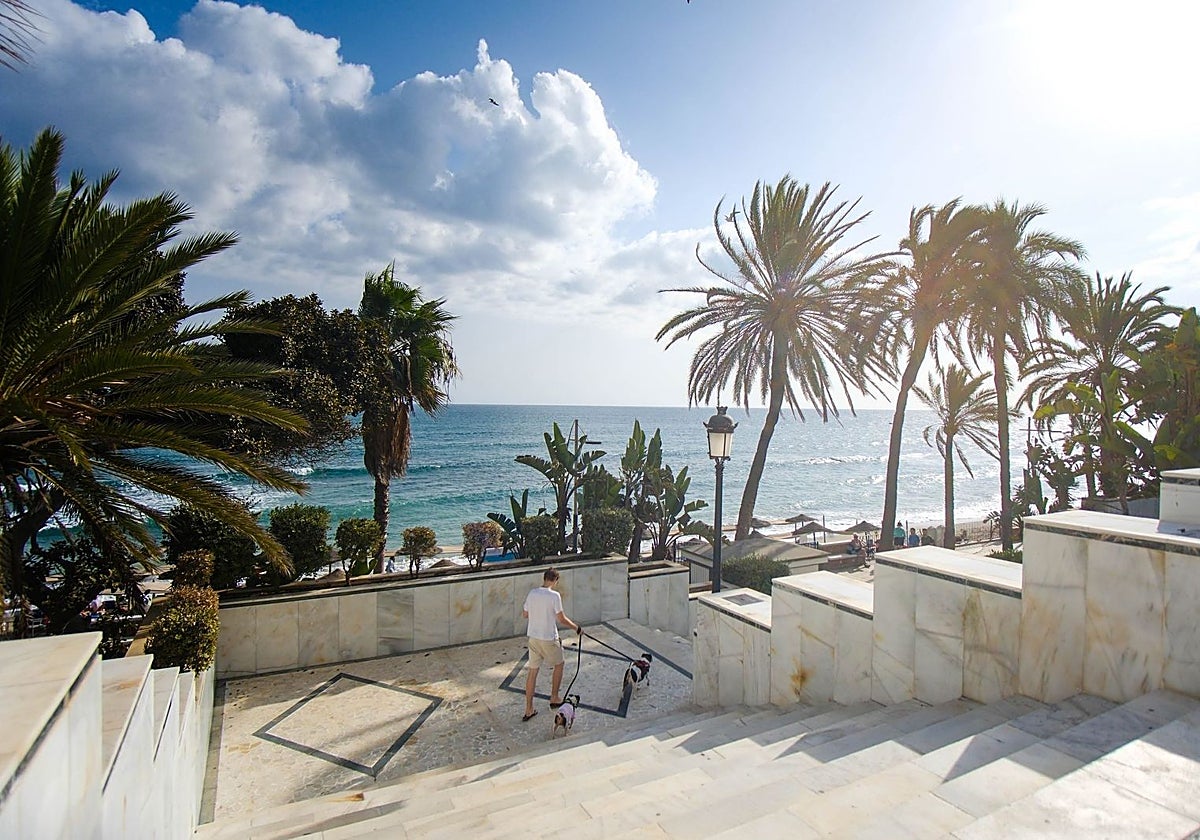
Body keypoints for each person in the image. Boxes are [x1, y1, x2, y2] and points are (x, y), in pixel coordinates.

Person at [521, 567, 581, 722]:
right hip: (548, 638)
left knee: (532, 672)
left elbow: (525, 614)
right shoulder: (554, 596)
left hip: (533, 637)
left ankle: (529, 709)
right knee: (559, 664)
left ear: (544, 578)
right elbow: (561, 618)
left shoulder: (532, 593)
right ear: (555, 580)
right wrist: (576, 628)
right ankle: (554, 697)